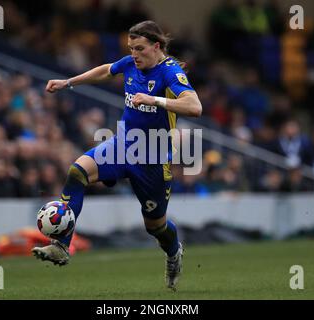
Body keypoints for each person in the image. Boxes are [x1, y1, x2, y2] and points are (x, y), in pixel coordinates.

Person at [32, 21, 202, 290]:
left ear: (156, 47)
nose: (134, 54)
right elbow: (106, 71)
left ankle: (173, 253)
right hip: (123, 146)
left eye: (140, 49)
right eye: (131, 48)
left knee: (155, 227)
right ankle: (61, 246)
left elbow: (195, 107)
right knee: (77, 172)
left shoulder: (171, 72)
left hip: (153, 160)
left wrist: (155, 100)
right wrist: (68, 82)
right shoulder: (131, 63)